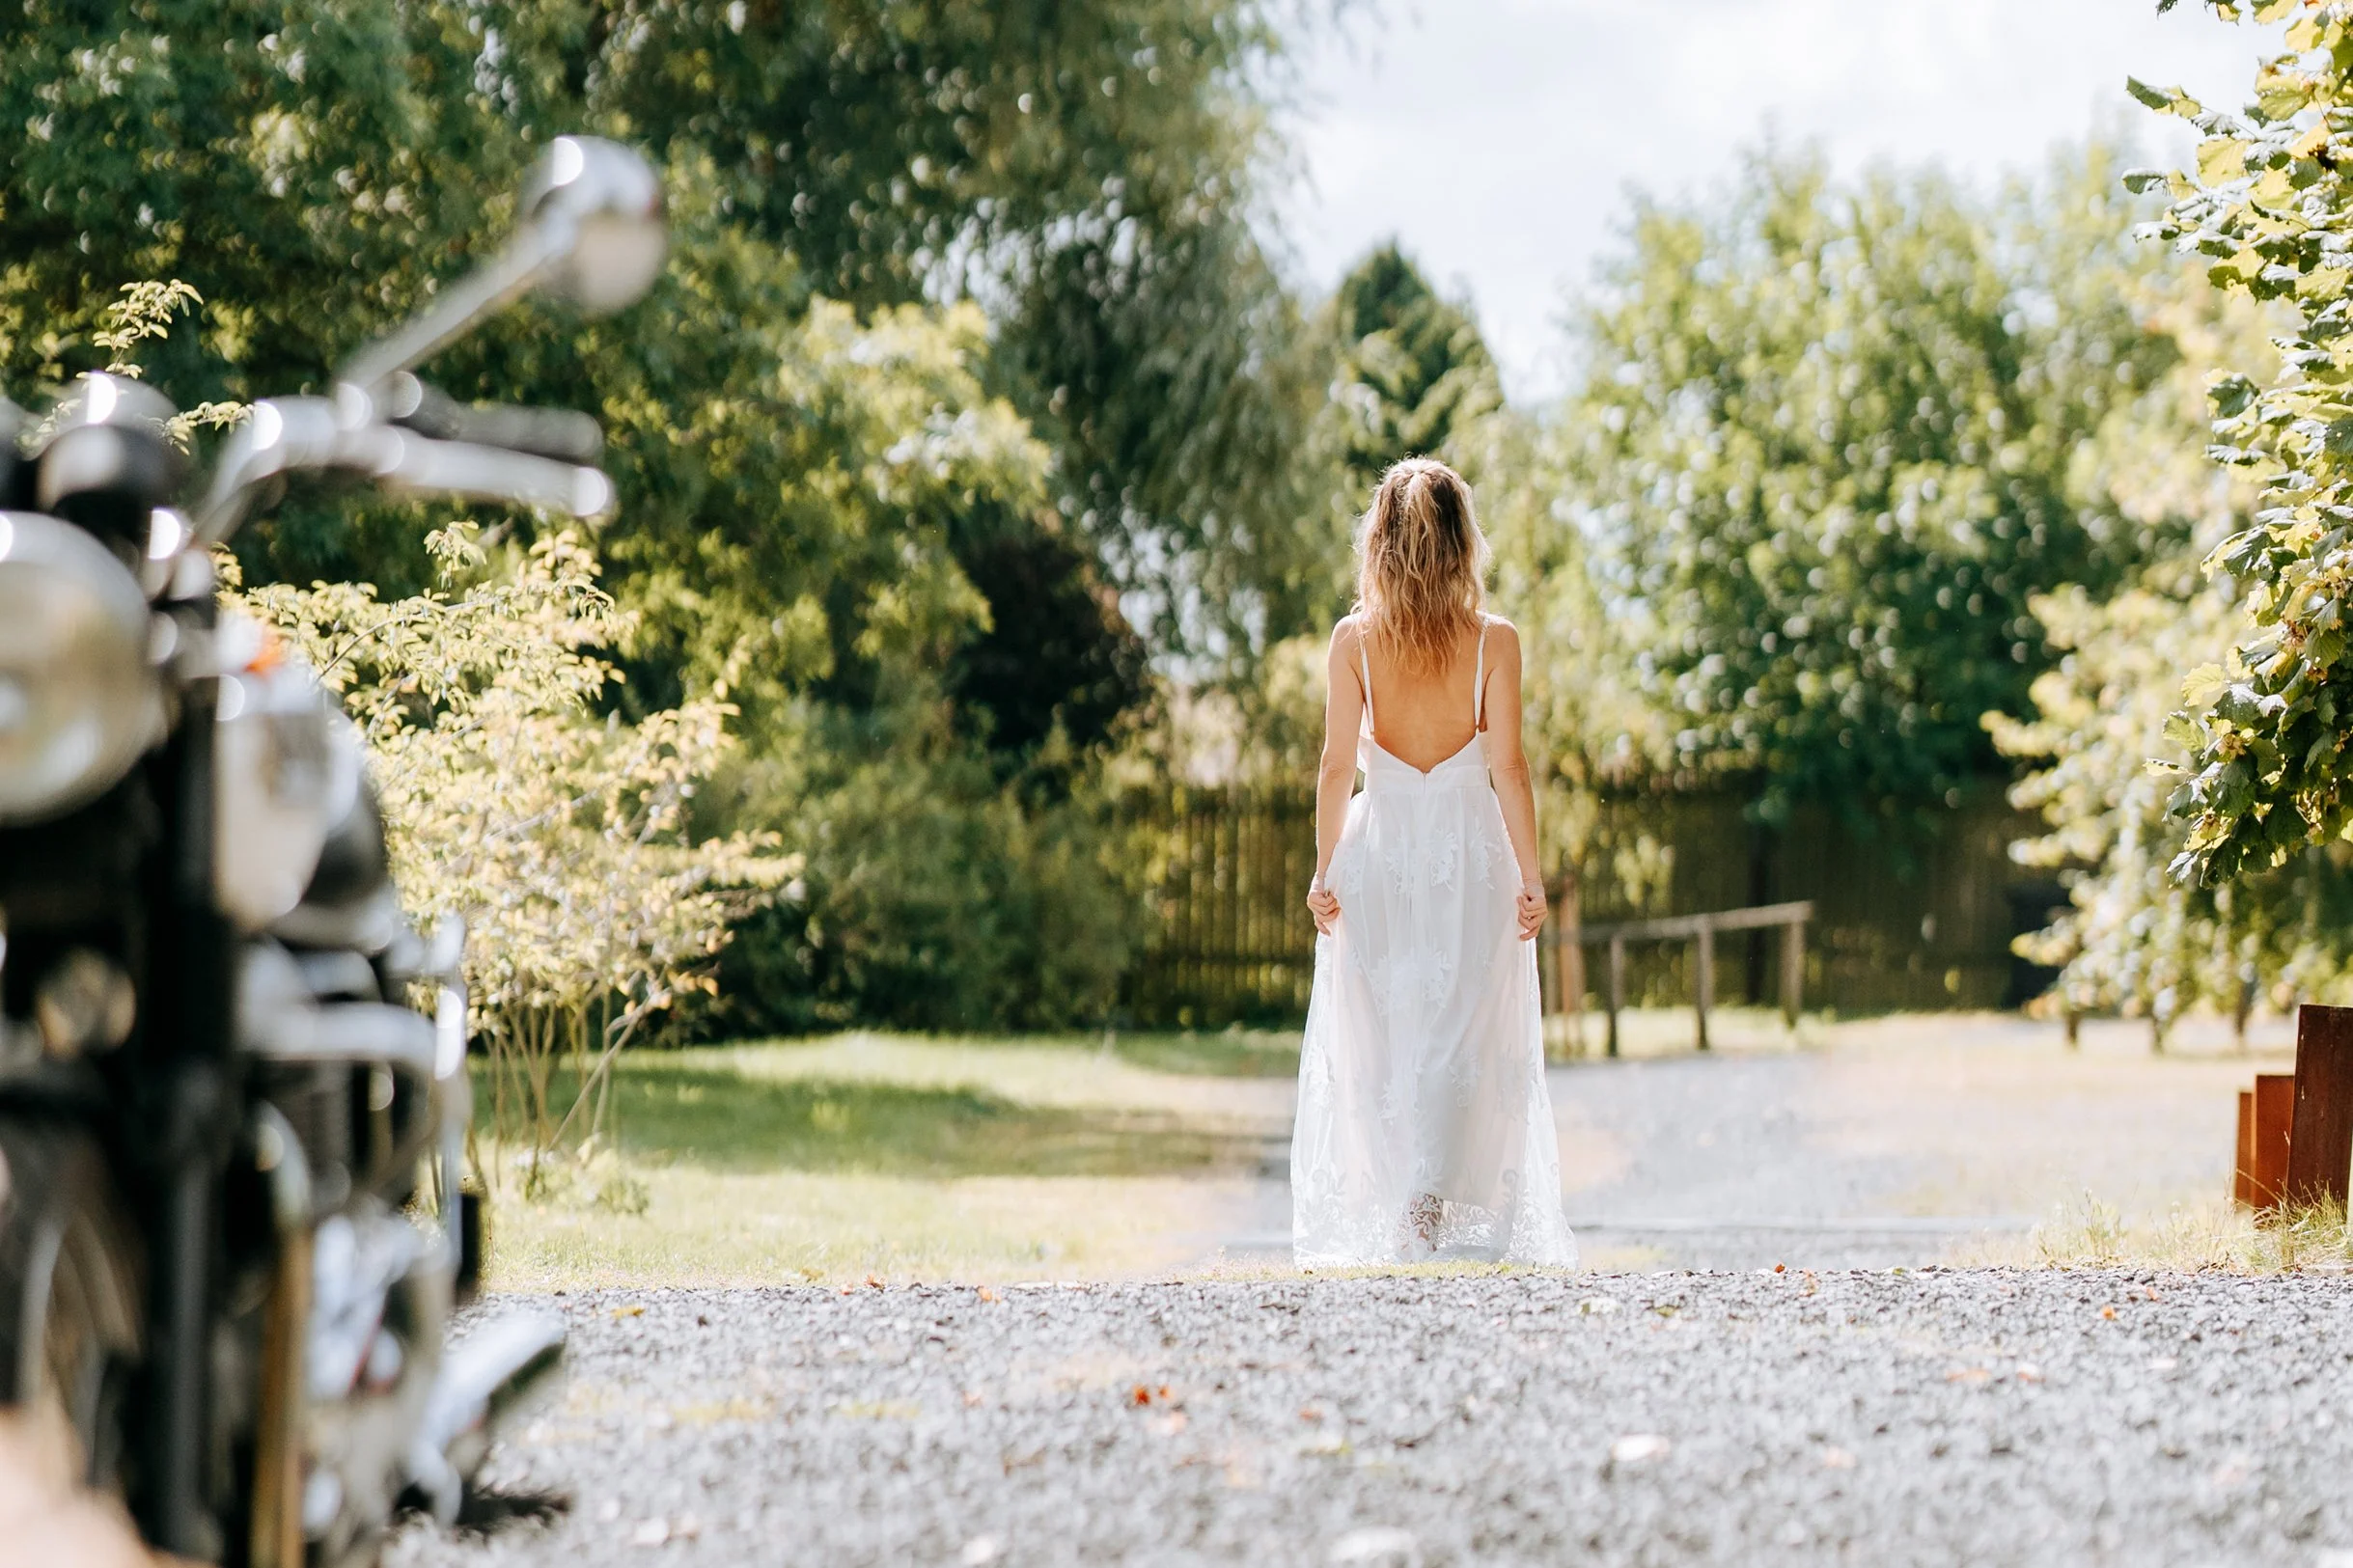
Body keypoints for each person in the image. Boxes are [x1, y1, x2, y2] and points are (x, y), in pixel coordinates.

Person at [1291, 457, 1577, 1269]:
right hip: (1465, 855)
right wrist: (1530, 874)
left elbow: (1334, 767)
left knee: (1384, 1027)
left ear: (1379, 541)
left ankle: (1409, 1203)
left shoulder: (1354, 641)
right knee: (1460, 1024)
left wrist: (1323, 868)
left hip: (1380, 855)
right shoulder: (1496, 640)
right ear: (1463, 542)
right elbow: (1510, 768)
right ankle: (1428, 1196)